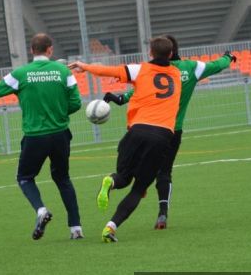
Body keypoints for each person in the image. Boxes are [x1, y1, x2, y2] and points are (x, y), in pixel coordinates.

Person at [103, 35, 235, 229]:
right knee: (164, 172)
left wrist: (121, 98)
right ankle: (162, 213)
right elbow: (218, 65)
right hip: (172, 131)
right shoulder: (191, 68)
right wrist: (228, 57)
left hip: (145, 127)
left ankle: (116, 182)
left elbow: (142, 90)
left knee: (132, 171)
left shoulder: (152, 70)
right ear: (173, 51)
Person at [69, 36, 181, 243]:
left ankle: (111, 182)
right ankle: (110, 228)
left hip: (136, 132)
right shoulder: (177, 74)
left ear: (150, 53)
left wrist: (83, 66)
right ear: (172, 54)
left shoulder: (140, 70)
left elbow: (108, 71)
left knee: (123, 177)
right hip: (162, 136)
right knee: (139, 189)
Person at [0, 33, 83, 240]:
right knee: (63, 178)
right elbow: (76, 103)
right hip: (60, 134)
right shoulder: (63, 71)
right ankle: (76, 228)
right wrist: (59, 112)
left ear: (32, 50)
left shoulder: (21, 73)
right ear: (50, 50)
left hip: (35, 136)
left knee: (25, 178)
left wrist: (19, 90)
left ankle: (41, 210)